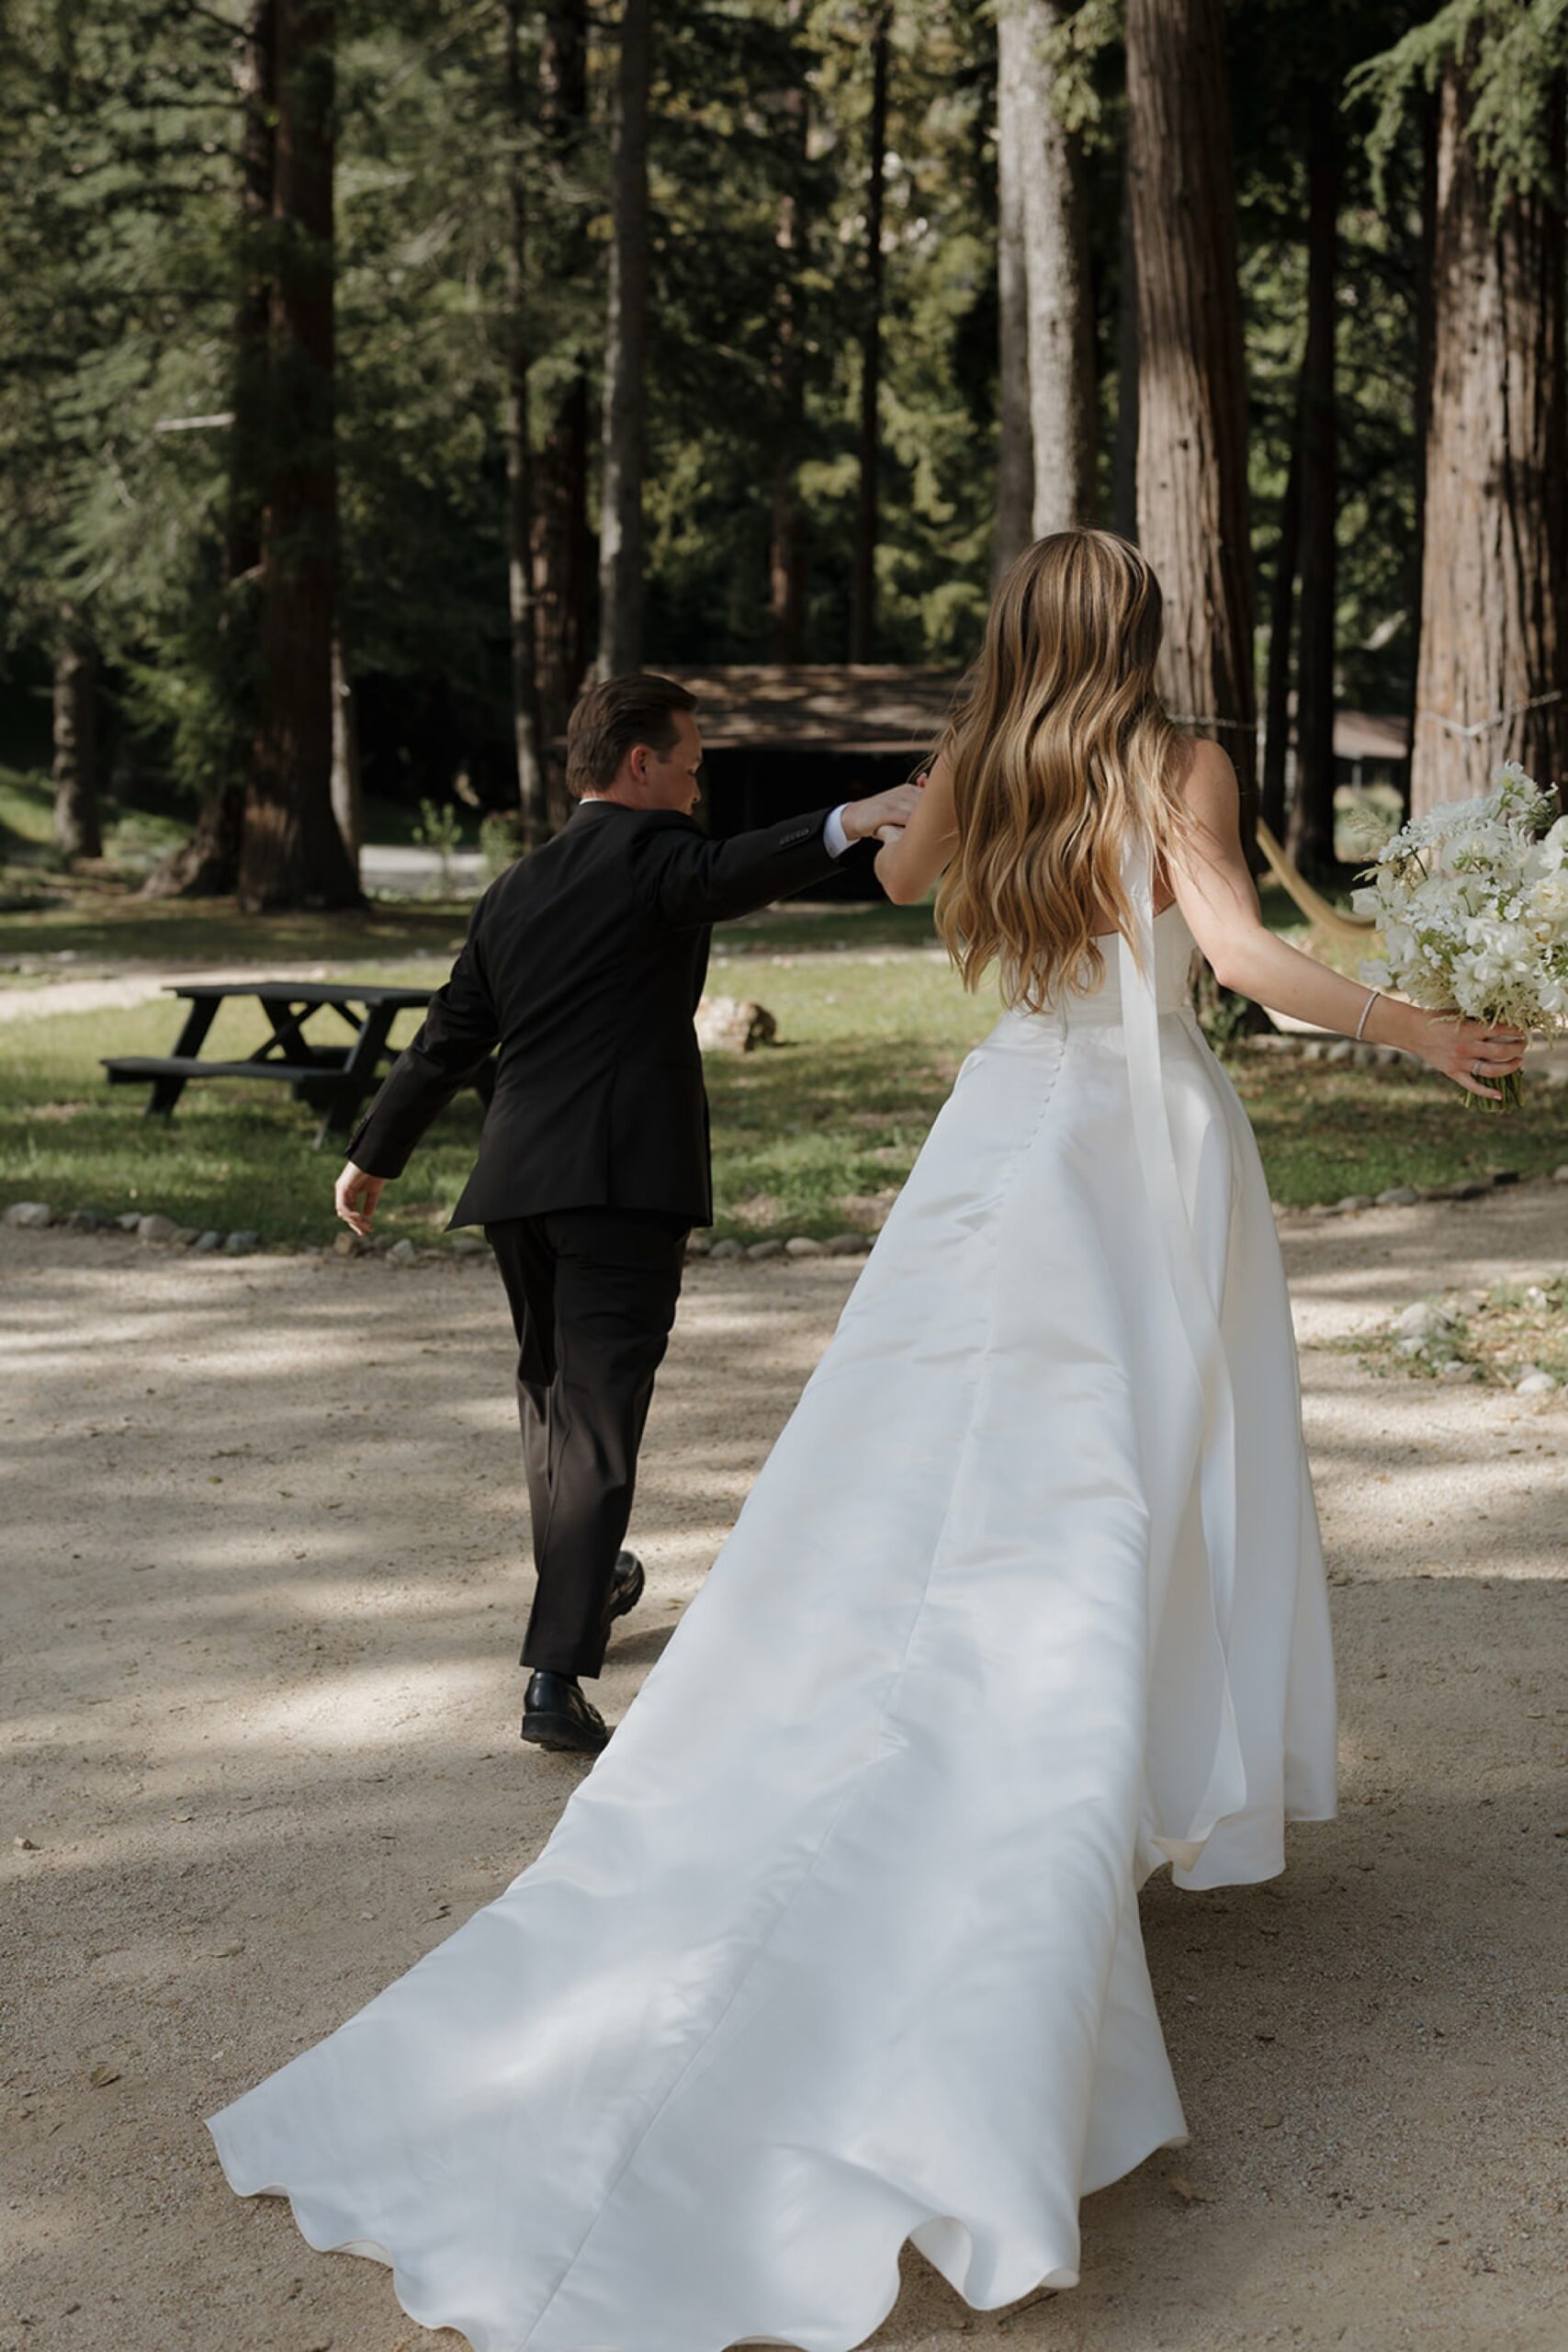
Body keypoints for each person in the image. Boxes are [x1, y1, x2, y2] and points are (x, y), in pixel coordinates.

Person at [207, 532, 1527, 2351]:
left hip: (1003, 1135)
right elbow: (1236, 961)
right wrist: (1417, 1024)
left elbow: (908, 869)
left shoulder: (987, 766)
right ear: (1138, 637)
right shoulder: (1176, 765)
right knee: (1095, 1513)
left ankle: (979, 1798)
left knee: (923, 1502)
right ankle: (1022, 1880)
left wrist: (952, 778)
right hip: (1139, 1161)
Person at [333, 671, 922, 1753]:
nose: (699, 788)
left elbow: (446, 1036)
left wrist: (374, 1153)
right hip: (620, 1188)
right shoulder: (656, 857)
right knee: (597, 1422)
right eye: (692, 767)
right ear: (640, 763)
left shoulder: (516, 887)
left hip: (517, 1185)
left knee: (555, 1408)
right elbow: (731, 870)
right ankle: (554, 1676)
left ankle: (591, 1579)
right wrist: (849, 820)